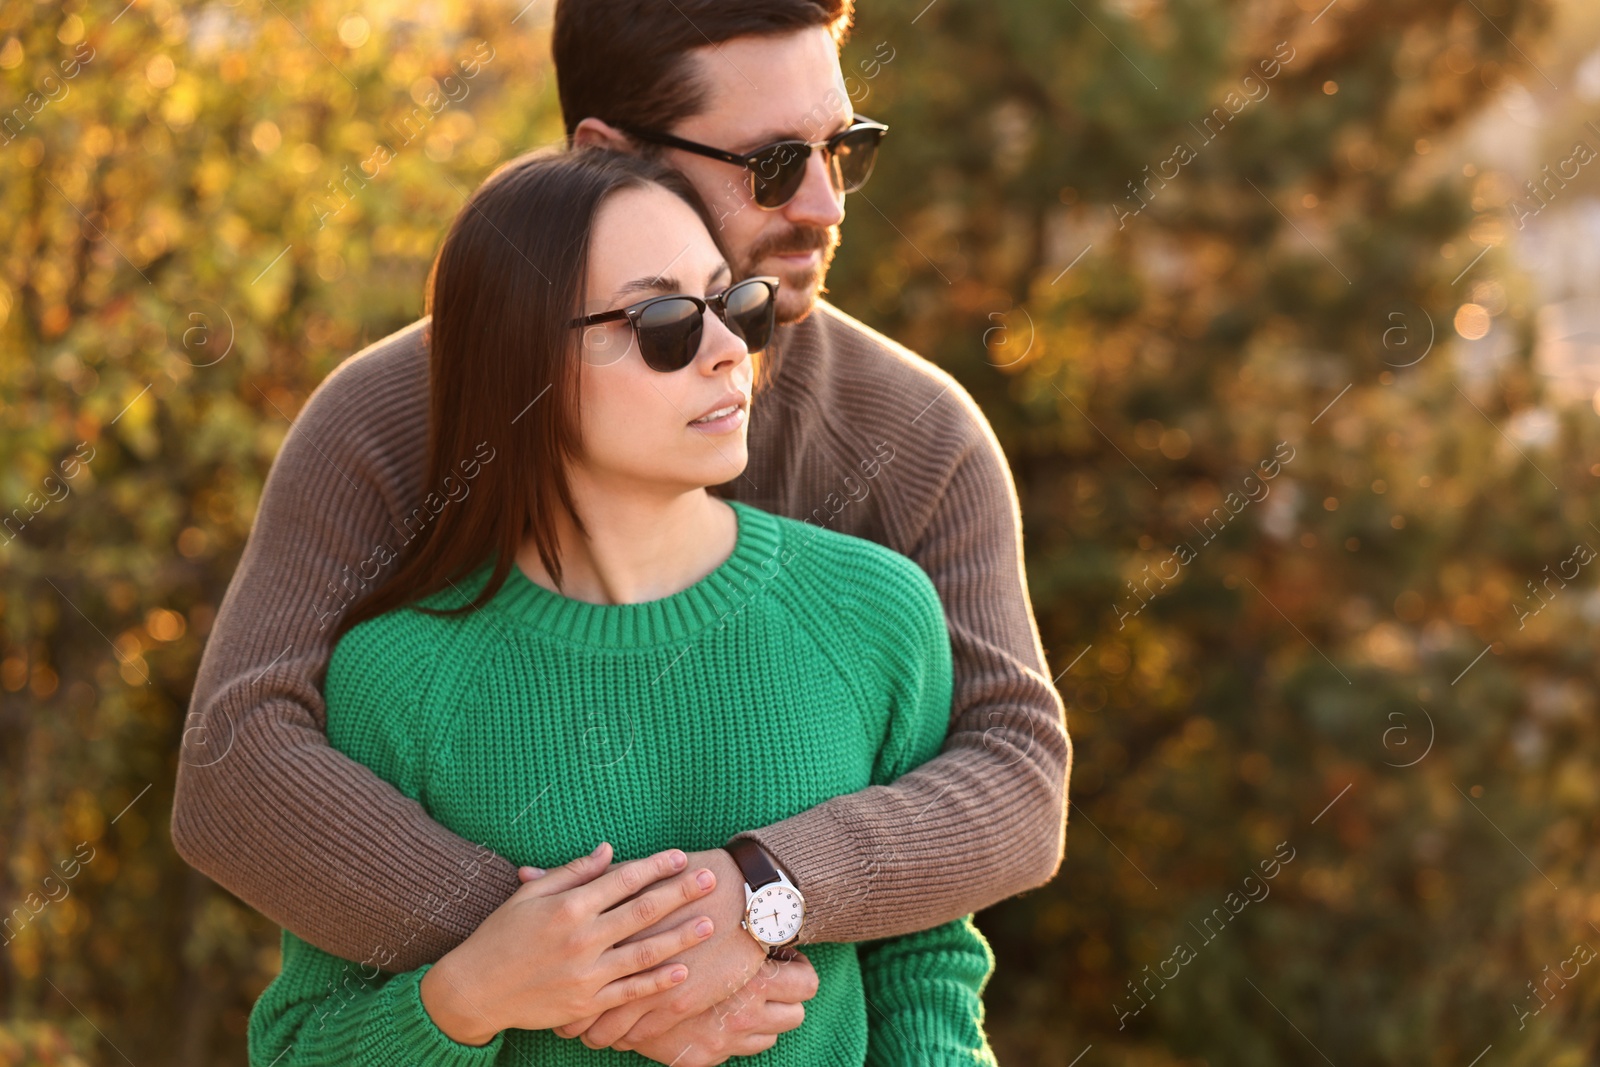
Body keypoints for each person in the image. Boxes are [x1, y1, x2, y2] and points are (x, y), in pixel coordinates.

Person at [173, 0, 1069, 1058]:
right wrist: (571, 963)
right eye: (774, 162)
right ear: (605, 153)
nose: (826, 203)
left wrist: (759, 893)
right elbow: (240, 764)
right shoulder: (384, 422)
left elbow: (1010, 769)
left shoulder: (920, 440)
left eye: (843, 149)